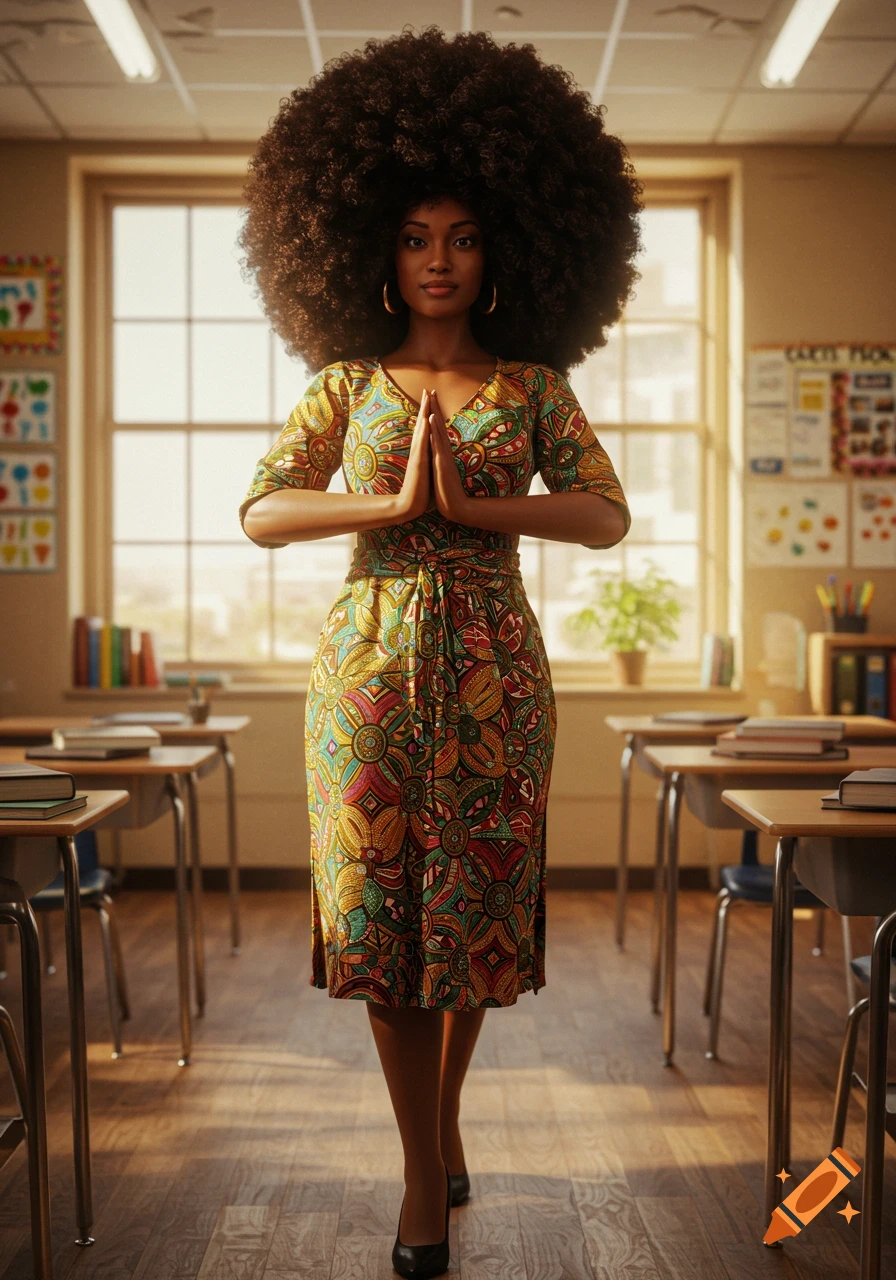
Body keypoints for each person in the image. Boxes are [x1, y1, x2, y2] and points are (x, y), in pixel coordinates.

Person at [237, 26, 640, 1279]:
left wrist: (479, 511)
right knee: (379, 921)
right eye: (414, 236)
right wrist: (381, 505)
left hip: (495, 672)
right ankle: (422, 1171)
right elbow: (259, 511)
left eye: (461, 236)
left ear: (505, 247)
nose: (437, 261)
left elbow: (605, 514)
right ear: (370, 246)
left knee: (463, 924)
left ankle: (436, 1123)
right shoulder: (340, 382)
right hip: (361, 672)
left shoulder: (532, 387)